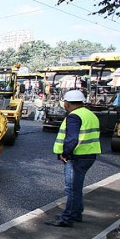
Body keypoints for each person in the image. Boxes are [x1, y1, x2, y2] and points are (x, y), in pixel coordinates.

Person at [46, 90, 101, 227]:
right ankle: (76, 213)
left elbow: (72, 138)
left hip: (77, 157)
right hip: (89, 155)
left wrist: (66, 153)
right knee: (76, 187)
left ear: (68, 104)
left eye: (65, 102)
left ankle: (67, 218)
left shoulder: (74, 116)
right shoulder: (90, 115)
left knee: (71, 188)